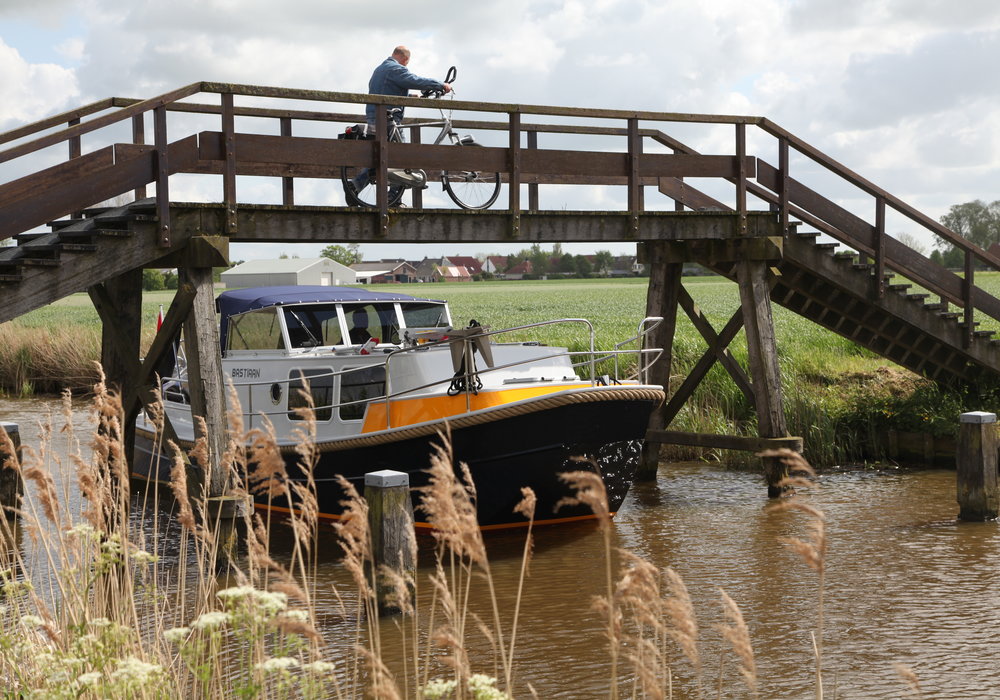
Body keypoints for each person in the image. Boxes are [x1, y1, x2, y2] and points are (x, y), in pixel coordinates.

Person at [347, 47, 452, 198]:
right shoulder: (396, 68)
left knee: (381, 155)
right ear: (405, 60)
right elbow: (415, 80)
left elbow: (387, 90)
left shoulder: (380, 69)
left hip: (375, 115)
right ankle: (393, 197)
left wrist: (410, 96)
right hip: (388, 117)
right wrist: (441, 85)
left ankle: (355, 186)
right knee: (403, 158)